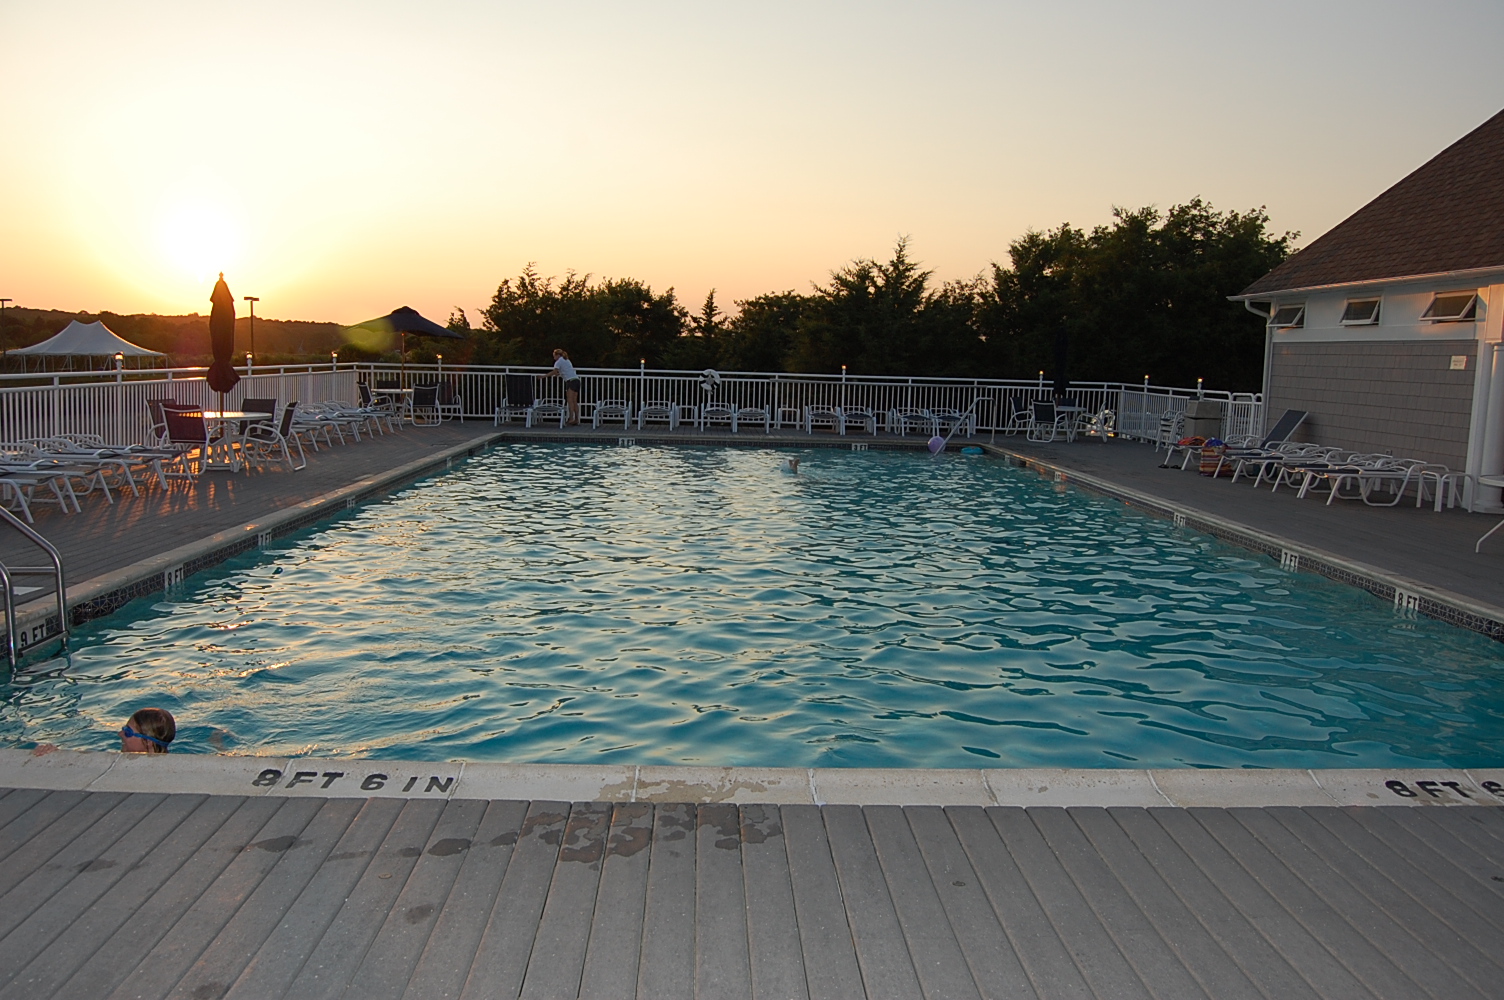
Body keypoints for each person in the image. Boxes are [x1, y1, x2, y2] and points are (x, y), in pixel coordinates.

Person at [549, 349, 581, 426]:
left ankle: (571, 419)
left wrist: (543, 376)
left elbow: (554, 372)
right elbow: (561, 371)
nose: (554, 358)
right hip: (576, 380)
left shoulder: (558, 362)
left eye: (554, 356)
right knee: (574, 401)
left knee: (570, 401)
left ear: (558, 355)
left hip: (571, 381)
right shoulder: (566, 360)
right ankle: (576, 419)